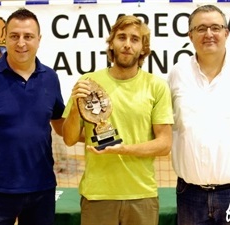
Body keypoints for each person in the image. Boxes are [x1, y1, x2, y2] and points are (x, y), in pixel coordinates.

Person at [62, 15, 173, 225]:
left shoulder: (156, 86)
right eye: (122, 37)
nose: (127, 45)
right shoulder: (87, 83)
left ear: (143, 47)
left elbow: (164, 144)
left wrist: (122, 149)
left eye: (134, 39)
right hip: (97, 196)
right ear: (112, 42)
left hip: (141, 195)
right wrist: (76, 109)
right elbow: (68, 139)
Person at [0, 8, 65, 225]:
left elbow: (63, 128)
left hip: (42, 189)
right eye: (14, 36)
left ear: (39, 40)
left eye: (28, 36)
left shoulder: (50, 78)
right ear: (5, 38)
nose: (21, 43)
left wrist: (90, 121)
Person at [168, 4, 230, 225]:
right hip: (189, 194)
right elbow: (170, 126)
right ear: (190, 35)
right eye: (200, 28)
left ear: (226, 33)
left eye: (215, 27)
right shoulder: (176, 74)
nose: (209, 34)